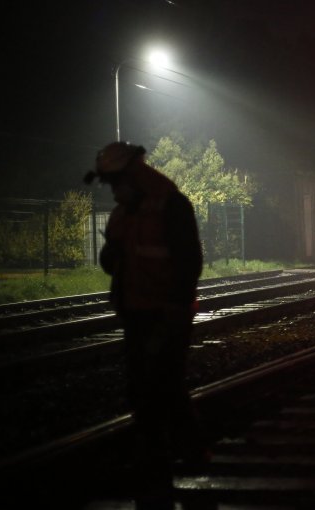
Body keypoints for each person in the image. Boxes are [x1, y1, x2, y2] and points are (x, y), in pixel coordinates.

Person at [85, 141, 207, 507]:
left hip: (166, 313)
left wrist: (176, 307)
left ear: (132, 174)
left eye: (114, 181)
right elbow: (114, 262)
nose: (111, 189)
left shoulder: (171, 205)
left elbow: (189, 262)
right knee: (148, 388)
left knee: (161, 386)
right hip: (136, 313)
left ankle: (170, 458)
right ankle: (180, 454)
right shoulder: (125, 212)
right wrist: (113, 254)